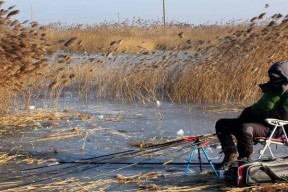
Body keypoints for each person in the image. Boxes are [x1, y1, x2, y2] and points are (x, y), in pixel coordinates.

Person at [215, 61, 288, 169]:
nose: (273, 80)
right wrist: (247, 112)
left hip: (275, 128)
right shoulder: (270, 91)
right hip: (258, 122)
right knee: (222, 124)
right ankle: (230, 156)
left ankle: (245, 159)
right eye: (271, 77)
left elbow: (283, 115)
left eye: (276, 77)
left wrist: (257, 115)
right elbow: (258, 106)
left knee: (246, 128)